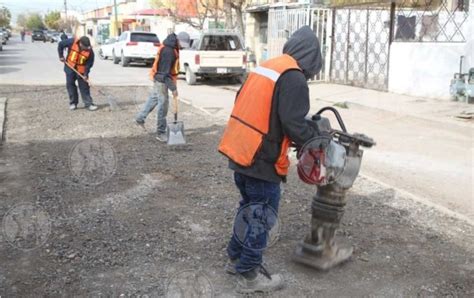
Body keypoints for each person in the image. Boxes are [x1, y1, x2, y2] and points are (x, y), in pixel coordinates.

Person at [218, 26, 323, 293]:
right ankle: (249, 274)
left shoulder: (269, 66)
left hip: (240, 151)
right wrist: (313, 137)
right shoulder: (294, 77)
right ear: (311, 56)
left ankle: (234, 257)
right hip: (261, 159)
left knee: (249, 207)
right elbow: (292, 123)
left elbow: (248, 101)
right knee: (262, 216)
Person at [135, 33, 179, 142]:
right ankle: (161, 132)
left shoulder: (167, 48)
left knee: (153, 99)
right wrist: (173, 88)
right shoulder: (169, 52)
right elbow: (164, 73)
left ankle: (140, 118)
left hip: (158, 78)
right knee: (163, 105)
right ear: (177, 41)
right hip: (161, 80)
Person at [58, 36, 98, 111]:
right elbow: (60, 44)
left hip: (81, 70)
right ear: (80, 44)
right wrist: (61, 56)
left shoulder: (90, 51)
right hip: (70, 67)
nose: (86, 48)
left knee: (84, 87)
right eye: (85, 47)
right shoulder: (72, 42)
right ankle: (73, 103)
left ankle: (88, 104)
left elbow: (89, 64)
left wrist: (86, 74)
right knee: (70, 85)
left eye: (87, 47)